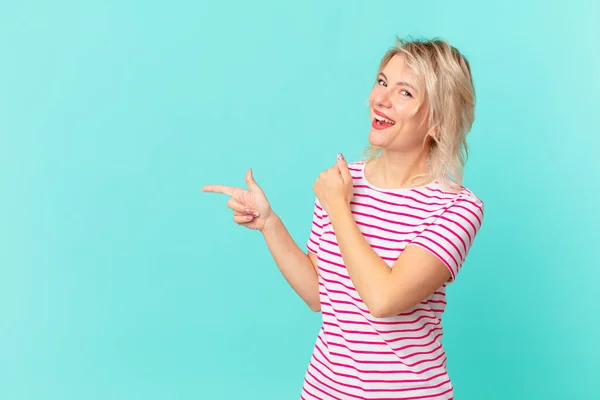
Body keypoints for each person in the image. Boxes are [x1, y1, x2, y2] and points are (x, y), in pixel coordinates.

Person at [203, 36, 484, 400]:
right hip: (325, 391)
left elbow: (383, 298)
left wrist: (339, 208)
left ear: (438, 121)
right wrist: (270, 224)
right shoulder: (341, 183)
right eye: (382, 82)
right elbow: (319, 295)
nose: (379, 99)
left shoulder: (457, 208)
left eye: (405, 93)